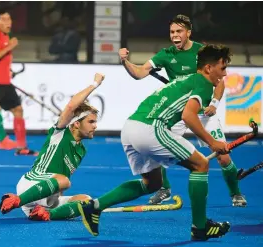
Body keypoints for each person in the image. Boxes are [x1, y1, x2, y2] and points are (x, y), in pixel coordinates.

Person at [77, 44, 232, 241]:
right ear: (209, 68)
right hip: (151, 128)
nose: (225, 74)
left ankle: (94, 206)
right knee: (201, 164)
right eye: (223, 68)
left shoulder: (186, 79)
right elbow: (188, 116)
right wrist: (212, 143)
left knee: (152, 184)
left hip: (131, 127)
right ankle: (200, 227)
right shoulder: (203, 84)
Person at [118, 14, 246, 207]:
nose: (175, 35)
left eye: (179, 31)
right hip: (177, 112)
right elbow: (139, 73)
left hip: (203, 111)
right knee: (156, 149)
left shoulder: (202, 52)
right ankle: (164, 189)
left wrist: (214, 104)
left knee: (223, 156)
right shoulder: (165, 55)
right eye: (172, 32)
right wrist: (125, 61)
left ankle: (235, 193)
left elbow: (219, 81)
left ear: (188, 32)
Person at [0, 73, 105, 220]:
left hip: (46, 199)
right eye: (91, 122)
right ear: (76, 123)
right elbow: (71, 106)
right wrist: (95, 84)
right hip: (30, 186)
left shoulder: (81, 150)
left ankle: (46, 214)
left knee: (86, 201)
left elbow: (60, 183)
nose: (95, 126)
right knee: (65, 181)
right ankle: (17, 200)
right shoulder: (60, 132)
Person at [0, 8, 37, 155]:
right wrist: (10, 47)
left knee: (18, 110)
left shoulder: (7, 36)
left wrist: (8, 71)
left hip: (6, 82)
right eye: (4, 19)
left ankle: (21, 147)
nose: (8, 22)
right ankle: (3, 140)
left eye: (9, 19)